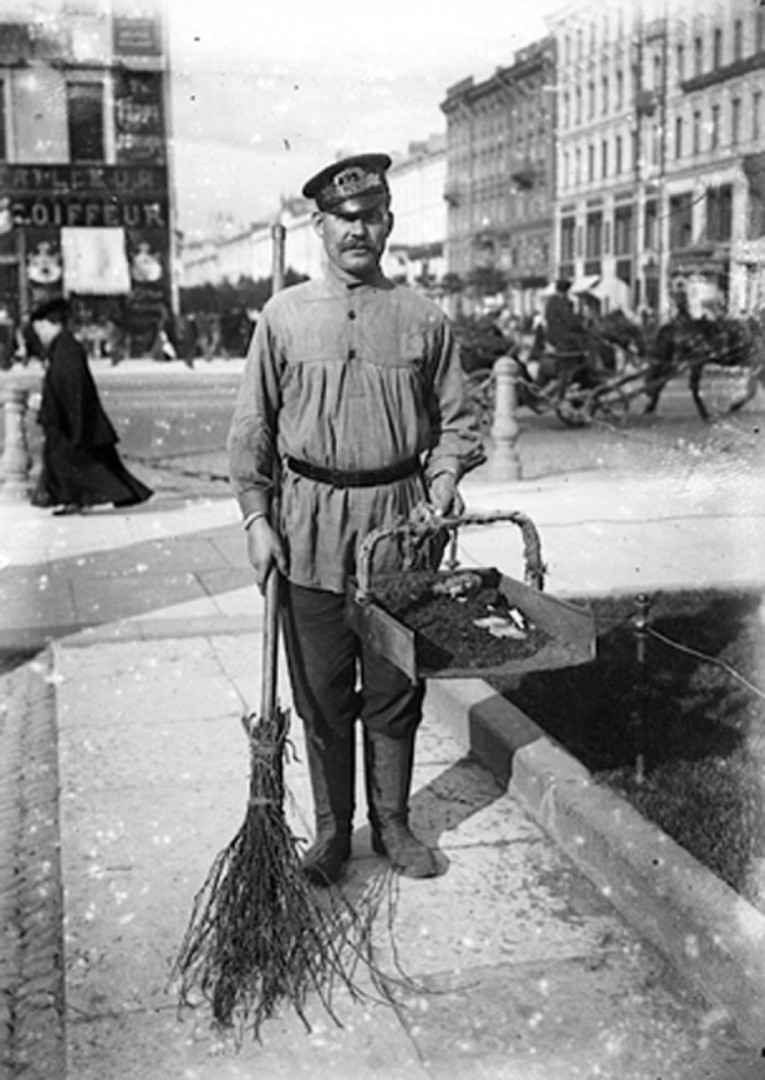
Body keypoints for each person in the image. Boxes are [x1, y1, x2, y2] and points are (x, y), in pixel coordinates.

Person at [228, 153, 485, 885]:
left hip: (398, 528)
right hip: (306, 525)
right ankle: (333, 831)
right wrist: (255, 517)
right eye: (343, 218)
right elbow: (252, 426)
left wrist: (442, 482)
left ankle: (393, 824)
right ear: (320, 226)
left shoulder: (422, 318)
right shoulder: (283, 317)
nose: (357, 230)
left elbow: (459, 424)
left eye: (370, 216)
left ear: (388, 223)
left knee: (396, 690)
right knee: (321, 694)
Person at [29, 297, 153, 515]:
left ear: (53, 324)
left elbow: (73, 388)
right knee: (87, 465)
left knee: (82, 465)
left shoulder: (66, 349)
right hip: (68, 421)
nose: (40, 334)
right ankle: (113, 495)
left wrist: (75, 424)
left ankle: (81, 499)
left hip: (70, 422)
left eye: (41, 328)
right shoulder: (62, 347)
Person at [544, 279, 594, 398]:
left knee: (583, 338)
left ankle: (584, 372)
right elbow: (569, 320)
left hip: (553, 334)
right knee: (588, 340)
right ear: (566, 290)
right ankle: (589, 368)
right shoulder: (562, 302)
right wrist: (583, 326)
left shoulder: (551, 301)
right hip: (562, 335)